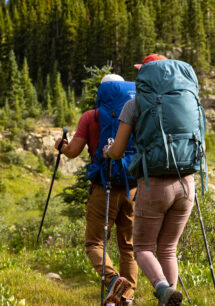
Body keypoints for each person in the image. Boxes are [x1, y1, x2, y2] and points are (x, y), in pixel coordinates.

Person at [103, 54, 196, 305]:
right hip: (187, 183)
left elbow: (118, 151)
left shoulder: (134, 104)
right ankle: (169, 298)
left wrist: (107, 150)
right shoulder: (187, 99)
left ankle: (163, 289)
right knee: (168, 249)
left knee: (143, 248)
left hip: (155, 183)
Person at [55, 74, 137, 306]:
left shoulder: (91, 116)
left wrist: (62, 147)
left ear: (101, 92)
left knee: (94, 243)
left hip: (104, 185)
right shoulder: (134, 112)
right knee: (128, 247)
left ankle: (113, 281)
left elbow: (73, 151)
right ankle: (127, 298)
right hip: (132, 186)